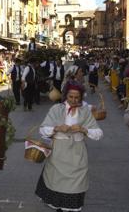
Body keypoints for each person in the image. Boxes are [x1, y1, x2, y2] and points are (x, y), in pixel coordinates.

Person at [35, 81, 103, 212]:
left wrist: (84, 130)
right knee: (57, 186)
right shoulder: (56, 109)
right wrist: (57, 128)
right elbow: (42, 130)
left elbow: (99, 133)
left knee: (75, 187)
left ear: (81, 97)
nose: (73, 100)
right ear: (66, 95)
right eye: (70, 96)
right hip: (58, 155)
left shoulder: (85, 111)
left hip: (77, 156)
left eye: (77, 97)